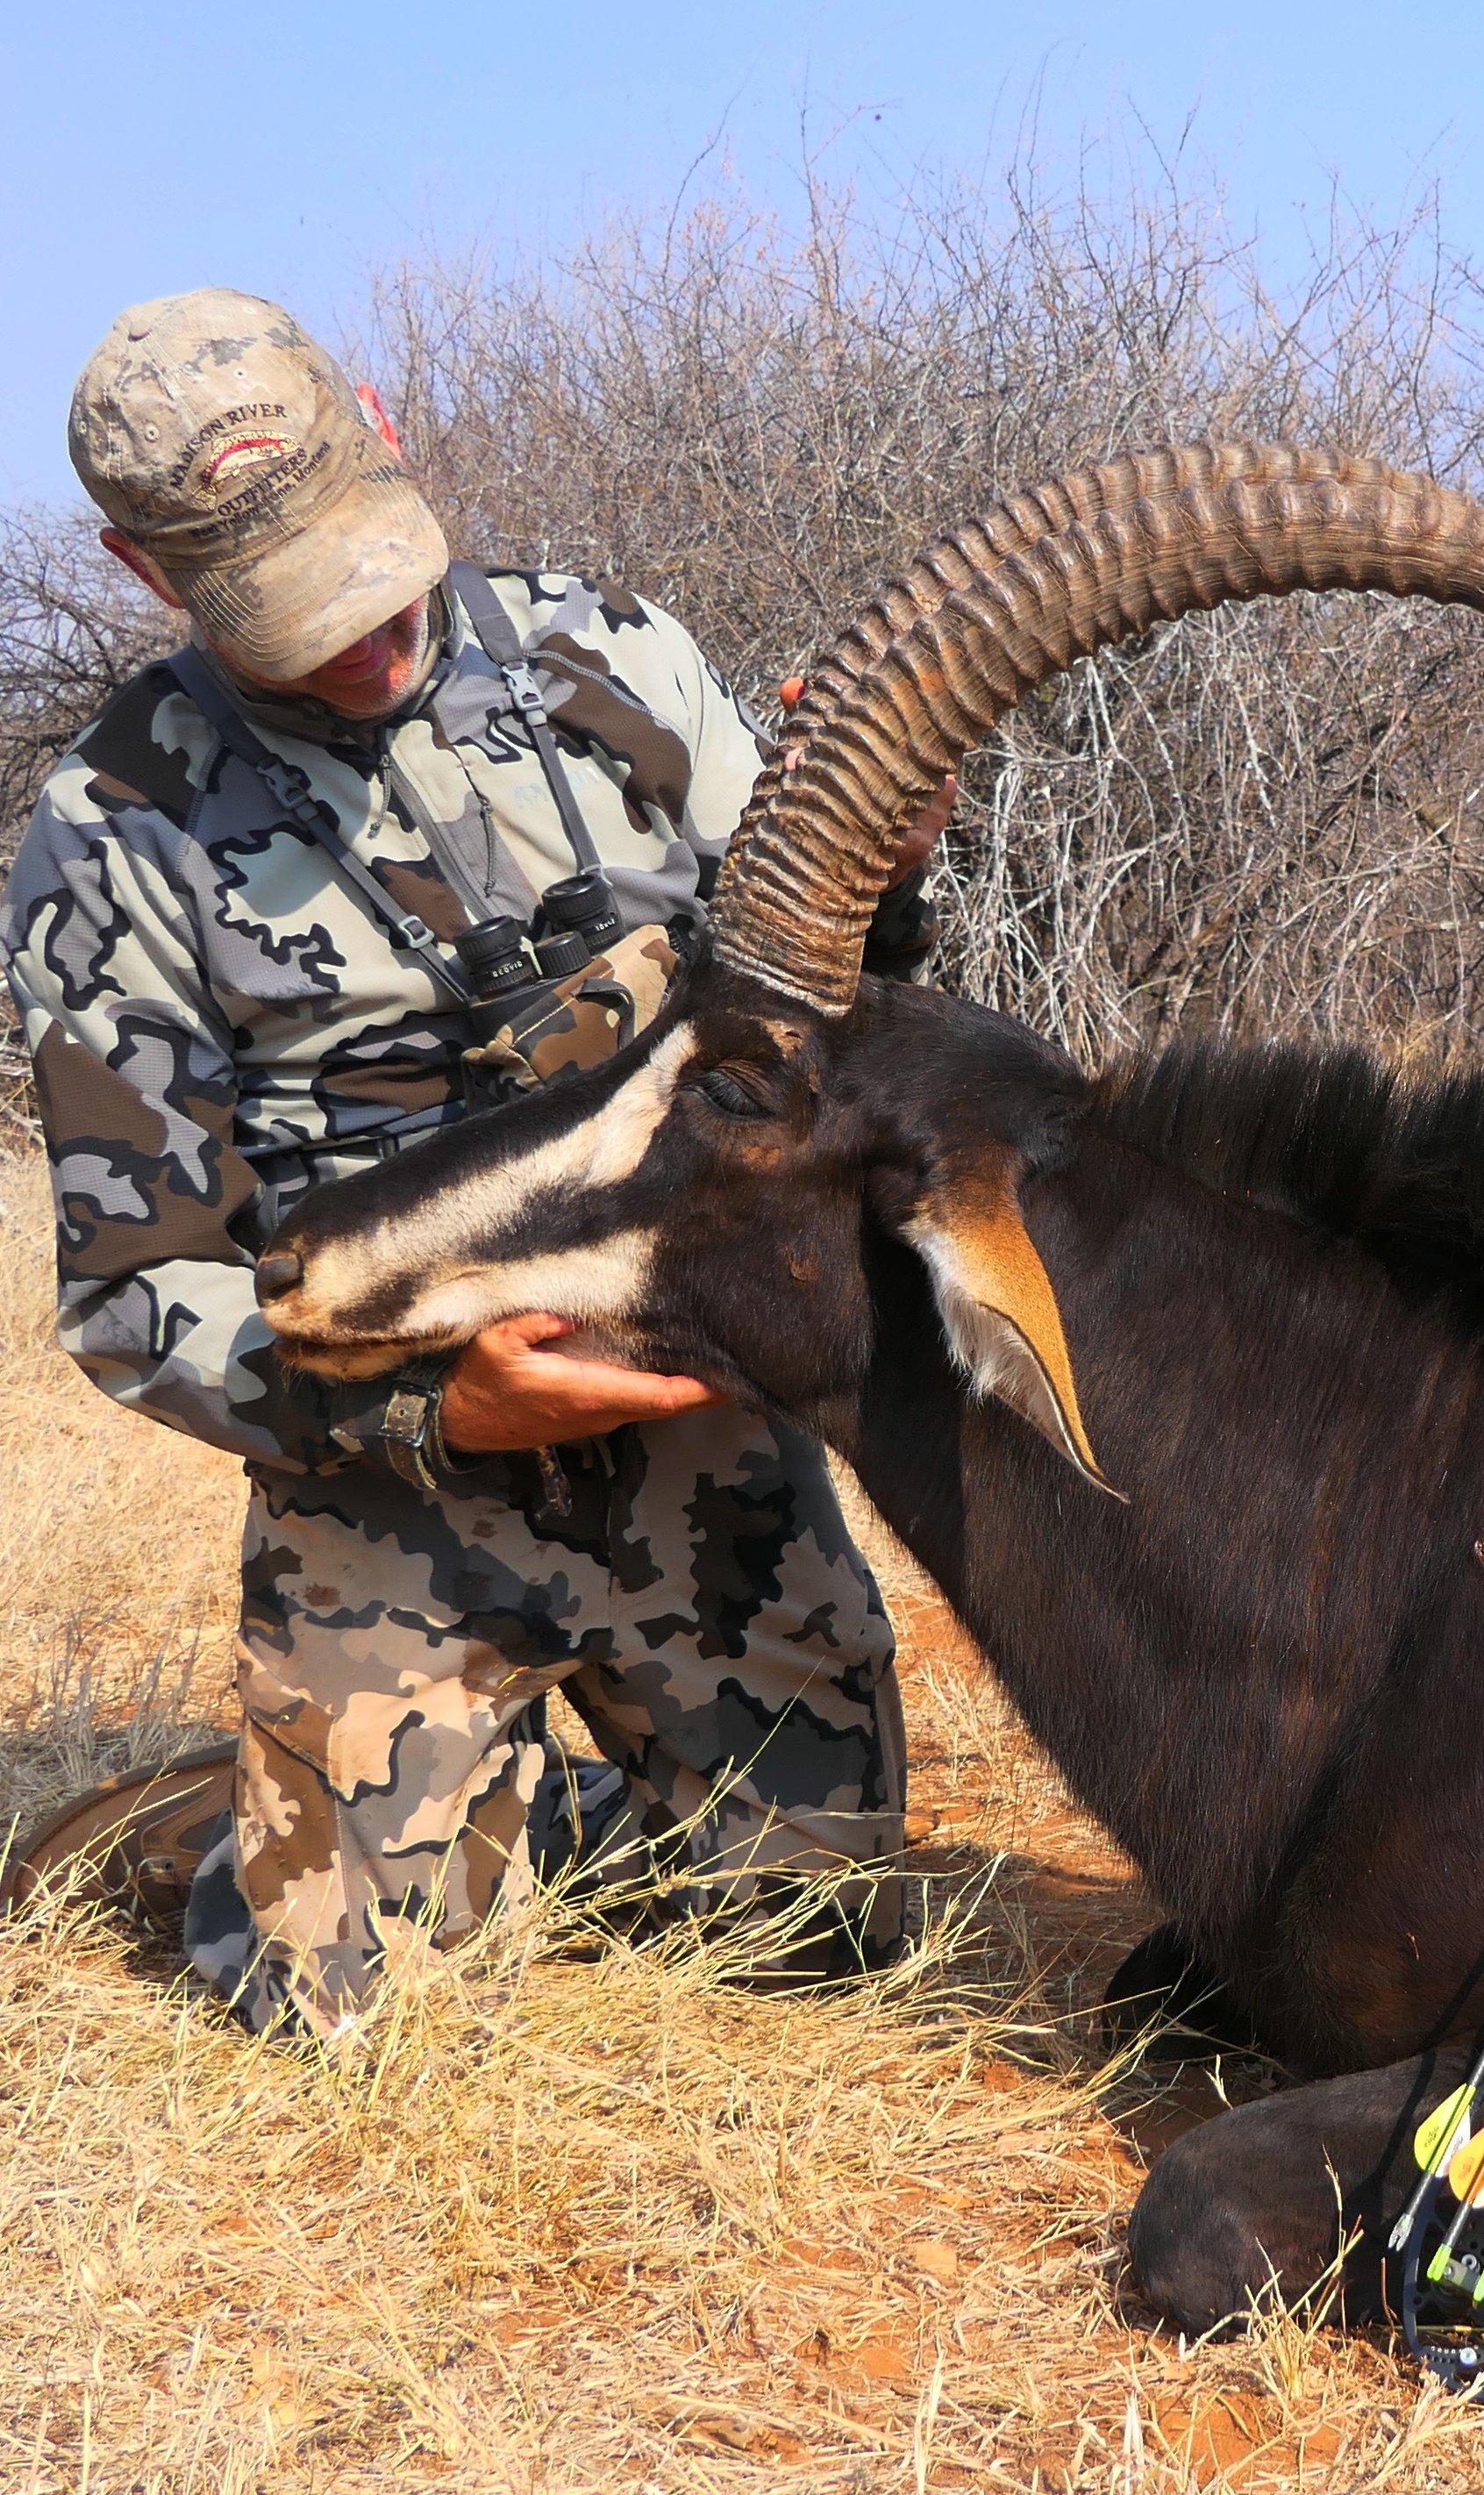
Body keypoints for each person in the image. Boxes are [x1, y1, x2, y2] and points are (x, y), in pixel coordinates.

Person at [3, 289, 952, 2037]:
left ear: (381, 414)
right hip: (388, 1473)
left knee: (824, 1934)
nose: (364, 643)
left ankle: (486, 1809)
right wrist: (432, 1414)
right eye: (289, 612)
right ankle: (267, 1828)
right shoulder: (109, 836)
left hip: (689, 1433)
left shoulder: (618, 659)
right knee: (333, 2013)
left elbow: (811, 1017)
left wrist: (880, 859)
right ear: (148, 575)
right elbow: (142, 1301)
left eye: (370, 569)